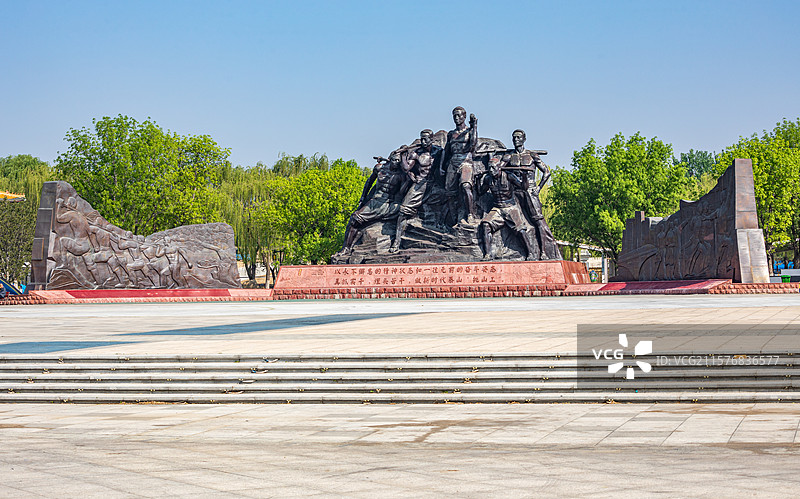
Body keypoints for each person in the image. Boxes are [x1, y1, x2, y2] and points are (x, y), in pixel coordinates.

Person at [494, 130, 561, 260]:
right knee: (516, 221)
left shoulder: (531, 155)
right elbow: (497, 169)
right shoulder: (509, 156)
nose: (516, 140)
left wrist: (539, 188)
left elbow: (546, 172)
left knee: (538, 221)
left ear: (524, 139)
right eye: (514, 137)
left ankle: (543, 252)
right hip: (515, 192)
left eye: (519, 137)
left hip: (530, 191)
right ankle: (524, 251)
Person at [339, 152, 405, 254]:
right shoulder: (379, 169)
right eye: (394, 160)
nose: (396, 163)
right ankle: (346, 248)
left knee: (404, 212)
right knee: (355, 219)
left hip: (389, 204)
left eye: (398, 161)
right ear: (390, 159)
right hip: (375, 202)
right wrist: (363, 197)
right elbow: (369, 182)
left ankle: (396, 243)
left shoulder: (401, 175)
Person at [477, 157, 539, 261]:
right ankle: (487, 254)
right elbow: (480, 192)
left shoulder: (509, 176)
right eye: (489, 168)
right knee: (485, 224)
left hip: (510, 208)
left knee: (521, 229)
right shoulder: (488, 179)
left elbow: (523, 187)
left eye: (493, 168)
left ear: (499, 167)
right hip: (497, 208)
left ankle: (530, 253)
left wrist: (524, 175)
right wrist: (478, 179)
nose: (491, 170)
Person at [390, 129, 442, 253]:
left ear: (432, 139)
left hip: (435, 184)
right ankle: (396, 242)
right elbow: (407, 167)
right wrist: (403, 155)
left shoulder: (439, 151)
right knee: (403, 211)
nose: (423, 141)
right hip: (420, 184)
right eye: (421, 139)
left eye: (426, 139)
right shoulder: (416, 154)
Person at [442, 107, 478, 224]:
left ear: (464, 116)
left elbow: (472, 145)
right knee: (449, 193)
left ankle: (470, 214)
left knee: (466, 186)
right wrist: (441, 166)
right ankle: (454, 218)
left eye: (459, 115)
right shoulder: (451, 134)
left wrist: (474, 127)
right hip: (453, 162)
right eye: (454, 116)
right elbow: (446, 150)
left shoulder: (470, 132)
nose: (456, 118)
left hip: (465, 162)